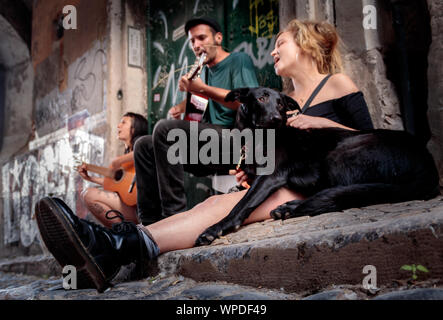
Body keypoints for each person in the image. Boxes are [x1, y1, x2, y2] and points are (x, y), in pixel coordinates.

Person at [35, 19, 374, 292]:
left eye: (280, 43)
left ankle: (112, 246)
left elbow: (372, 141)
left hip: (317, 177)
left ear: (305, 44)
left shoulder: (337, 83)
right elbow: (271, 150)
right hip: (286, 171)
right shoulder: (282, 98)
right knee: (175, 171)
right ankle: (121, 246)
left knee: (209, 199)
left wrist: (318, 121)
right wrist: (252, 167)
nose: (272, 52)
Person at [134, 17, 259, 224]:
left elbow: (249, 104)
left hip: (238, 143)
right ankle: (150, 224)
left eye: (201, 38)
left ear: (218, 38)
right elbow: (197, 118)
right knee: (143, 145)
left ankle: (174, 219)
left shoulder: (238, 60)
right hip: (211, 145)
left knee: (165, 130)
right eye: (192, 41)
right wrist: (183, 106)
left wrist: (202, 89)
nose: (196, 45)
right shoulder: (204, 73)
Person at [77, 112, 148, 228]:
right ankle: (123, 231)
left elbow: (144, 150)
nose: (118, 126)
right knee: (87, 193)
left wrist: (118, 161)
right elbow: (114, 183)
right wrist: (90, 178)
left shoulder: (143, 144)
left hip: (143, 211)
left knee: (88, 194)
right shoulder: (127, 158)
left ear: (134, 129)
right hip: (133, 210)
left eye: (123, 122)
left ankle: (125, 234)